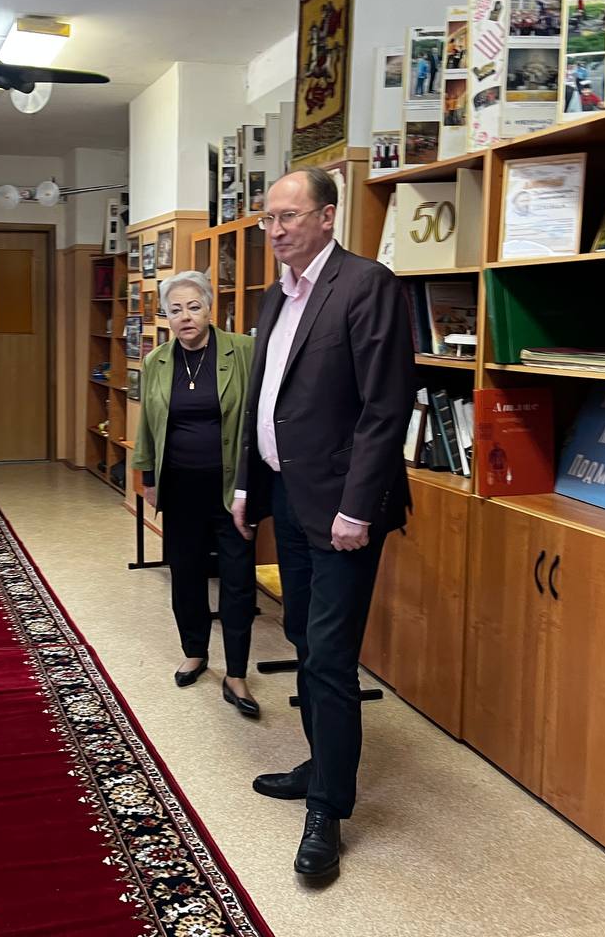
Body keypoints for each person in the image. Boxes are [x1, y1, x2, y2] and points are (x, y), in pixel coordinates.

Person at [231, 168, 415, 880]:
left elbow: (385, 407)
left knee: (331, 657)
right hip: (288, 497)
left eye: (289, 215)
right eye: (268, 218)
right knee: (305, 640)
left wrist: (356, 508)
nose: (275, 229)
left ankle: (328, 810)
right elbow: (263, 398)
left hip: (343, 513)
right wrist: (247, 482)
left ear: (328, 216)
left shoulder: (366, 285)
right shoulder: (276, 294)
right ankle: (320, 764)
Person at [132, 271, 259, 719]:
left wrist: (257, 481)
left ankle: (237, 672)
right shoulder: (157, 361)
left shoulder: (243, 350)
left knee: (238, 579)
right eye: (175, 310)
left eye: (193, 306)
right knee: (185, 573)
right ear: (166, 317)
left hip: (232, 491)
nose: (185, 316)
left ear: (209, 308)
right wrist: (149, 478)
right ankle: (195, 651)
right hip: (180, 487)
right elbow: (148, 424)